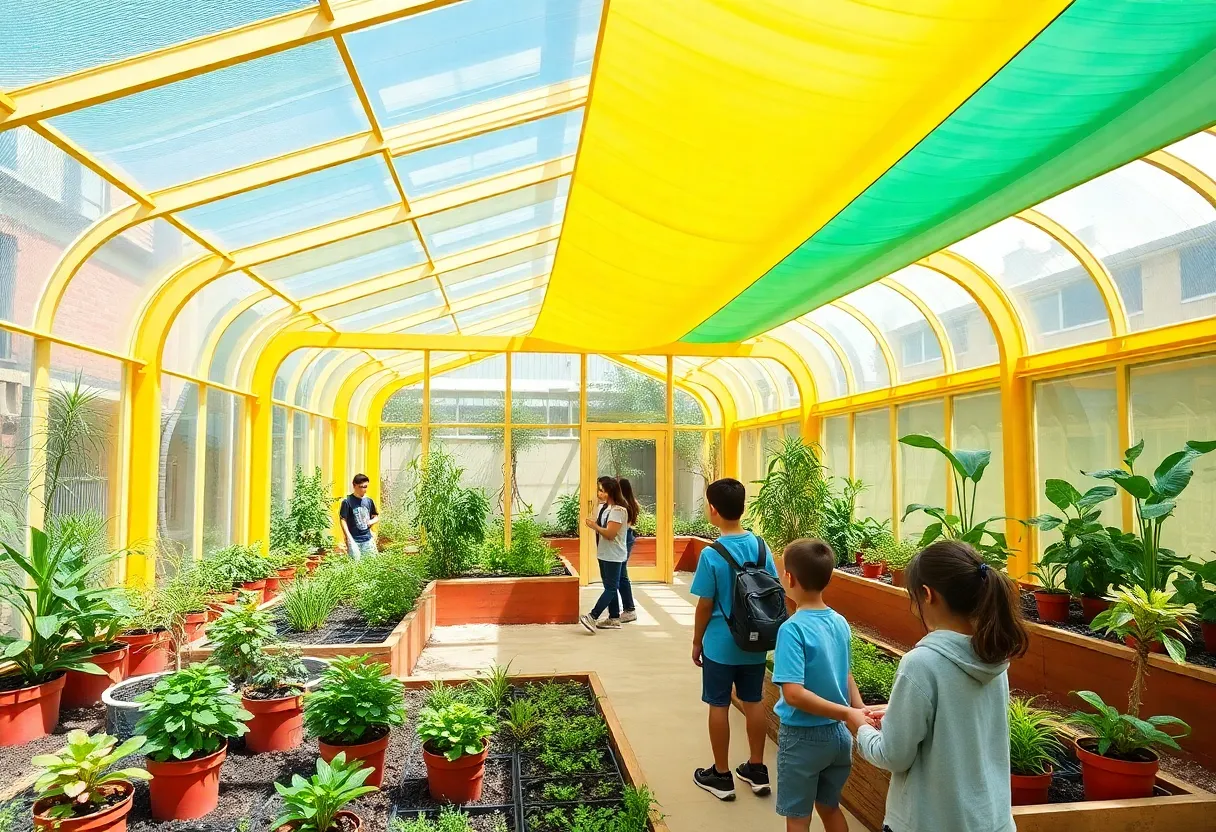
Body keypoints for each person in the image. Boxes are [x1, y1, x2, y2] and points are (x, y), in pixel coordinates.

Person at [848, 541, 1029, 832]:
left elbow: (893, 755)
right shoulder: (994, 655)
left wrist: (861, 727)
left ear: (928, 595)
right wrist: (896, 714)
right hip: (992, 821)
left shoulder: (921, 664)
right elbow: (961, 723)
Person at [772, 539, 870, 832]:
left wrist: (848, 714)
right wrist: (858, 710)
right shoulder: (839, 622)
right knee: (829, 807)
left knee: (798, 818)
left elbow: (793, 694)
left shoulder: (792, 629)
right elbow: (847, 675)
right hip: (839, 739)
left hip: (802, 738)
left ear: (790, 578)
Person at [689, 477, 777, 801]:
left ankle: (721, 775)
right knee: (753, 701)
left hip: (720, 645)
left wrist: (697, 641)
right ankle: (757, 768)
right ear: (743, 508)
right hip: (754, 643)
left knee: (719, 704)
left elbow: (704, 605)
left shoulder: (712, 554)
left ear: (713, 510)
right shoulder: (761, 546)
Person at [580, 476, 631, 633]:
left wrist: (594, 526)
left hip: (613, 555)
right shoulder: (606, 509)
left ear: (610, 492)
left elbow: (610, 534)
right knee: (610, 586)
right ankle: (613, 618)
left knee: (610, 588)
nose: (598, 494)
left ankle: (593, 616)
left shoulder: (618, 511)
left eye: (601, 491)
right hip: (605, 554)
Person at [616, 478, 641, 623]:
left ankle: (629, 608)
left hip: (624, 538)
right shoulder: (631, 503)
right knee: (620, 574)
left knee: (621, 574)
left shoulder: (624, 506)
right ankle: (625, 607)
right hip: (628, 536)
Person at [339, 473, 379, 560]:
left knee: (372, 565)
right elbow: (343, 520)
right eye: (361, 487)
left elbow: (376, 516)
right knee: (356, 567)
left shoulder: (369, 501)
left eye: (366, 487)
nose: (364, 490)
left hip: (368, 540)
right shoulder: (347, 501)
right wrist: (348, 538)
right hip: (354, 540)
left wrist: (371, 522)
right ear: (354, 485)